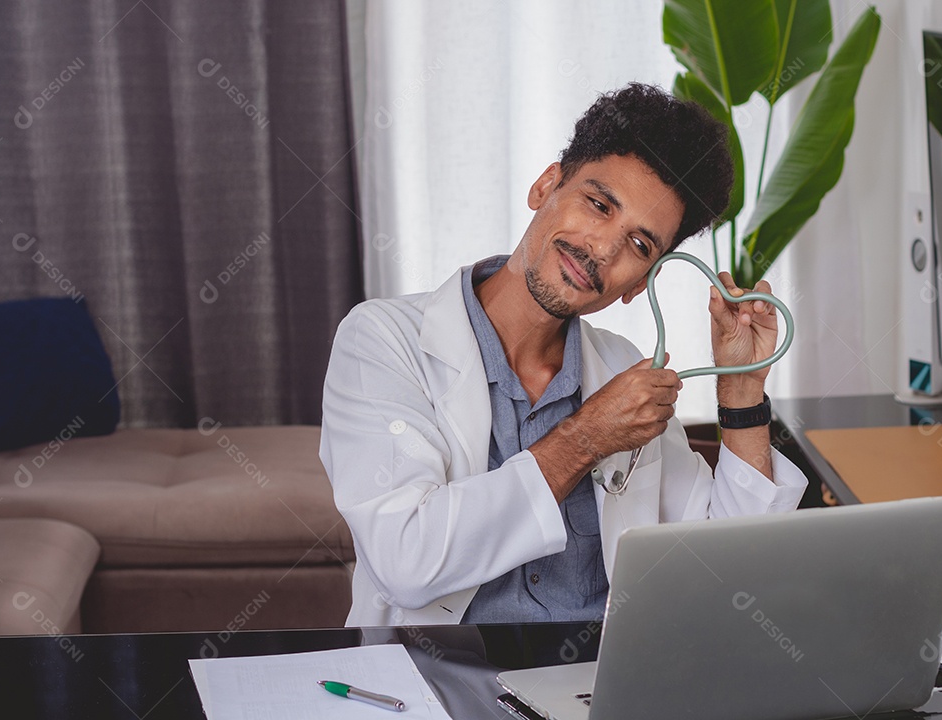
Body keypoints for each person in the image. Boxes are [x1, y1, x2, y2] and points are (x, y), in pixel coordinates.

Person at [320, 83, 807, 627]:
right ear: (546, 185)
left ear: (639, 284)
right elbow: (405, 561)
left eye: (639, 245)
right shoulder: (382, 340)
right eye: (598, 205)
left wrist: (741, 390)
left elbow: (725, 574)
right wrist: (586, 437)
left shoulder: (625, 372)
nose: (602, 249)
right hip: (437, 685)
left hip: (599, 692)